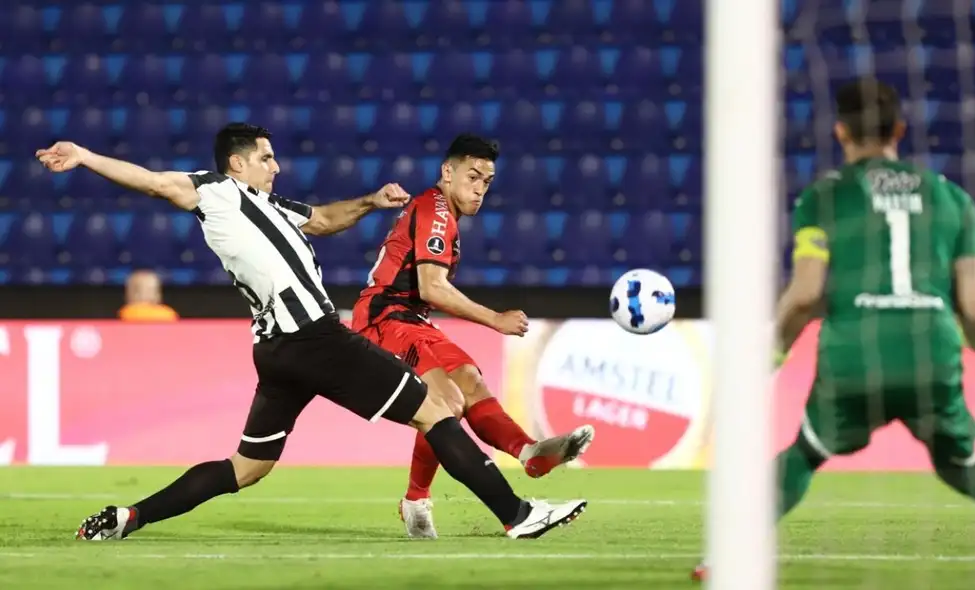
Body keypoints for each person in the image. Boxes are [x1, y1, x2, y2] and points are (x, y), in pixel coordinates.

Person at [35, 122, 586, 542]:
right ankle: (516, 515)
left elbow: (323, 219)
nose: (276, 167)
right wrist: (84, 156)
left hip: (277, 352)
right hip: (315, 338)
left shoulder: (270, 205)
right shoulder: (213, 192)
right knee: (437, 410)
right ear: (237, 163)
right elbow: (154, 182)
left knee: (246, 468)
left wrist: (370, 202)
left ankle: (131, 517)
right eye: (266, 158)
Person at [693, 78, 975, 581]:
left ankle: (726, 559)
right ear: (899, 129)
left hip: (855, 352)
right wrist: (974, 336)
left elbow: (807, 292)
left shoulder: (824, 198)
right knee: (964, 468)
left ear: (840, 132)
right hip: (931, 350)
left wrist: (775, 351)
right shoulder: (954, 199)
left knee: (805, 453)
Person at [352, 134, 595, 539]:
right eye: (473, 176)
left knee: (468, 379)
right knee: (444, 401)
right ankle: (442, 502)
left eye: (487, 181)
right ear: (447, 172)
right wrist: (495, 319)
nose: (480, 188)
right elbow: (432, 286)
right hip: (383, 319)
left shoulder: (443, 214)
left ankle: (528, 452)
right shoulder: (437, 211)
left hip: (411, 319)